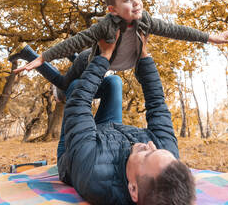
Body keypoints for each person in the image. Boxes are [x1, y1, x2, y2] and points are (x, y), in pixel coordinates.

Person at [11, 0, 228, 99]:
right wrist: (43, 57)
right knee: (63, 84)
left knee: (80, 65)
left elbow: (175, 30)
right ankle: (32, 57)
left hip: (98, 60)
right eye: (127, 0)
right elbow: (77, 40)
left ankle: (55, 77)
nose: (136, 2)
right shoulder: (105, 25)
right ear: (113, 10)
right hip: (89, 60)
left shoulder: (145, 21)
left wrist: (210, 38)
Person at [57, 33, 196, 205]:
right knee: (114, 81)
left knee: (75, 87)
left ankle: (61, 91)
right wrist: (143, 55)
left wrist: (104, 57)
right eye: (156, 150)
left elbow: (79, 104)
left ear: (133, 189)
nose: (150, 145)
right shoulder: (166, 157)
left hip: (73, 152)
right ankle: (75, 73)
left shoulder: (93, 171)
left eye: (146, 155)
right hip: (110, 132)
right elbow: (157, 103)